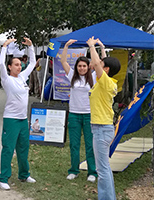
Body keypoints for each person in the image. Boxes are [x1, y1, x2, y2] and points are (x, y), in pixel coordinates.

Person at [61, 39, 104, 183]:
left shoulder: (93, 77)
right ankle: (74, 170)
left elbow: (102, 64)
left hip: (88, 115)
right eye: (79, 66)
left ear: (88, 67)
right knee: (74, 144)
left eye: (84, 66)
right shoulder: (72, 76)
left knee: (90, 144)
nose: (81, 68)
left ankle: (92, 172)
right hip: (73, 114)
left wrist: (101, 48)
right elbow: (63, 62)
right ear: (77, 67)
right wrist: (66, 46)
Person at [0, 38, 37, 190]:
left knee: (23, 148)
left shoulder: (22, 78)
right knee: (8, 148)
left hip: (22, 119)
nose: (19, 67)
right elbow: (1, 63)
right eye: (16, 65)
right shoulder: (7, 79)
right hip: (11, 119)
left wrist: (31, 46)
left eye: (20, 65)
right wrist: (5, 47)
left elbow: (33, 63)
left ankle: (24, 174)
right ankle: (3, 178)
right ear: (9, 67)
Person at [87, 36, 121, 200]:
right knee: (104, 167)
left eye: (101, 65)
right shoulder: (108, 82)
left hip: (102, 129)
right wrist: (101, 48)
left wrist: (91, 46)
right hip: (101, 128)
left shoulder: (105, 82)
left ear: (105, 70)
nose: (96, 65)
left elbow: (96, 62)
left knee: (102, 169)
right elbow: (100, 62)